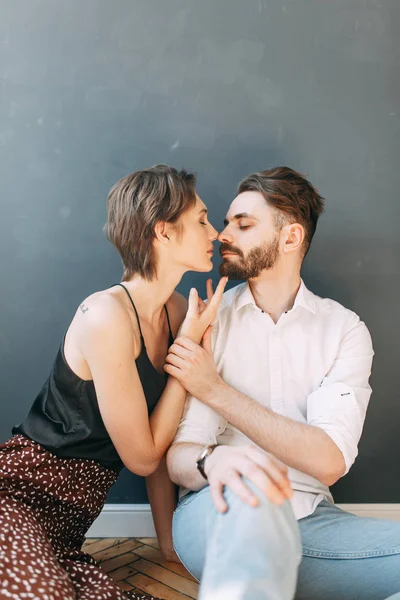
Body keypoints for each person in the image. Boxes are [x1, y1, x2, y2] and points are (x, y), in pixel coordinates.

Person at [166, 166, 400, 600]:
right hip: (221, 507)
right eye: (225, 222)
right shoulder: (208, 321)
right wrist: (210, 462)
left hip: (313, 520)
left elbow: (329, 461)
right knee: (253, 500)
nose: (222, 235)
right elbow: (178, 458)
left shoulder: (345, 330)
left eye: (243, 224)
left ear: (290, 238)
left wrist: (215, 389)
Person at [0, 165, 227, 600]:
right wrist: (188, 352)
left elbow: (161, 436)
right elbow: (142, 456)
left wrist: (167, 542)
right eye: (201, 220)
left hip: (66, 528)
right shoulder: (105, 315)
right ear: (163, 232)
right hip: (17, 496)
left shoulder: (177, 311)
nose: (214, 233)